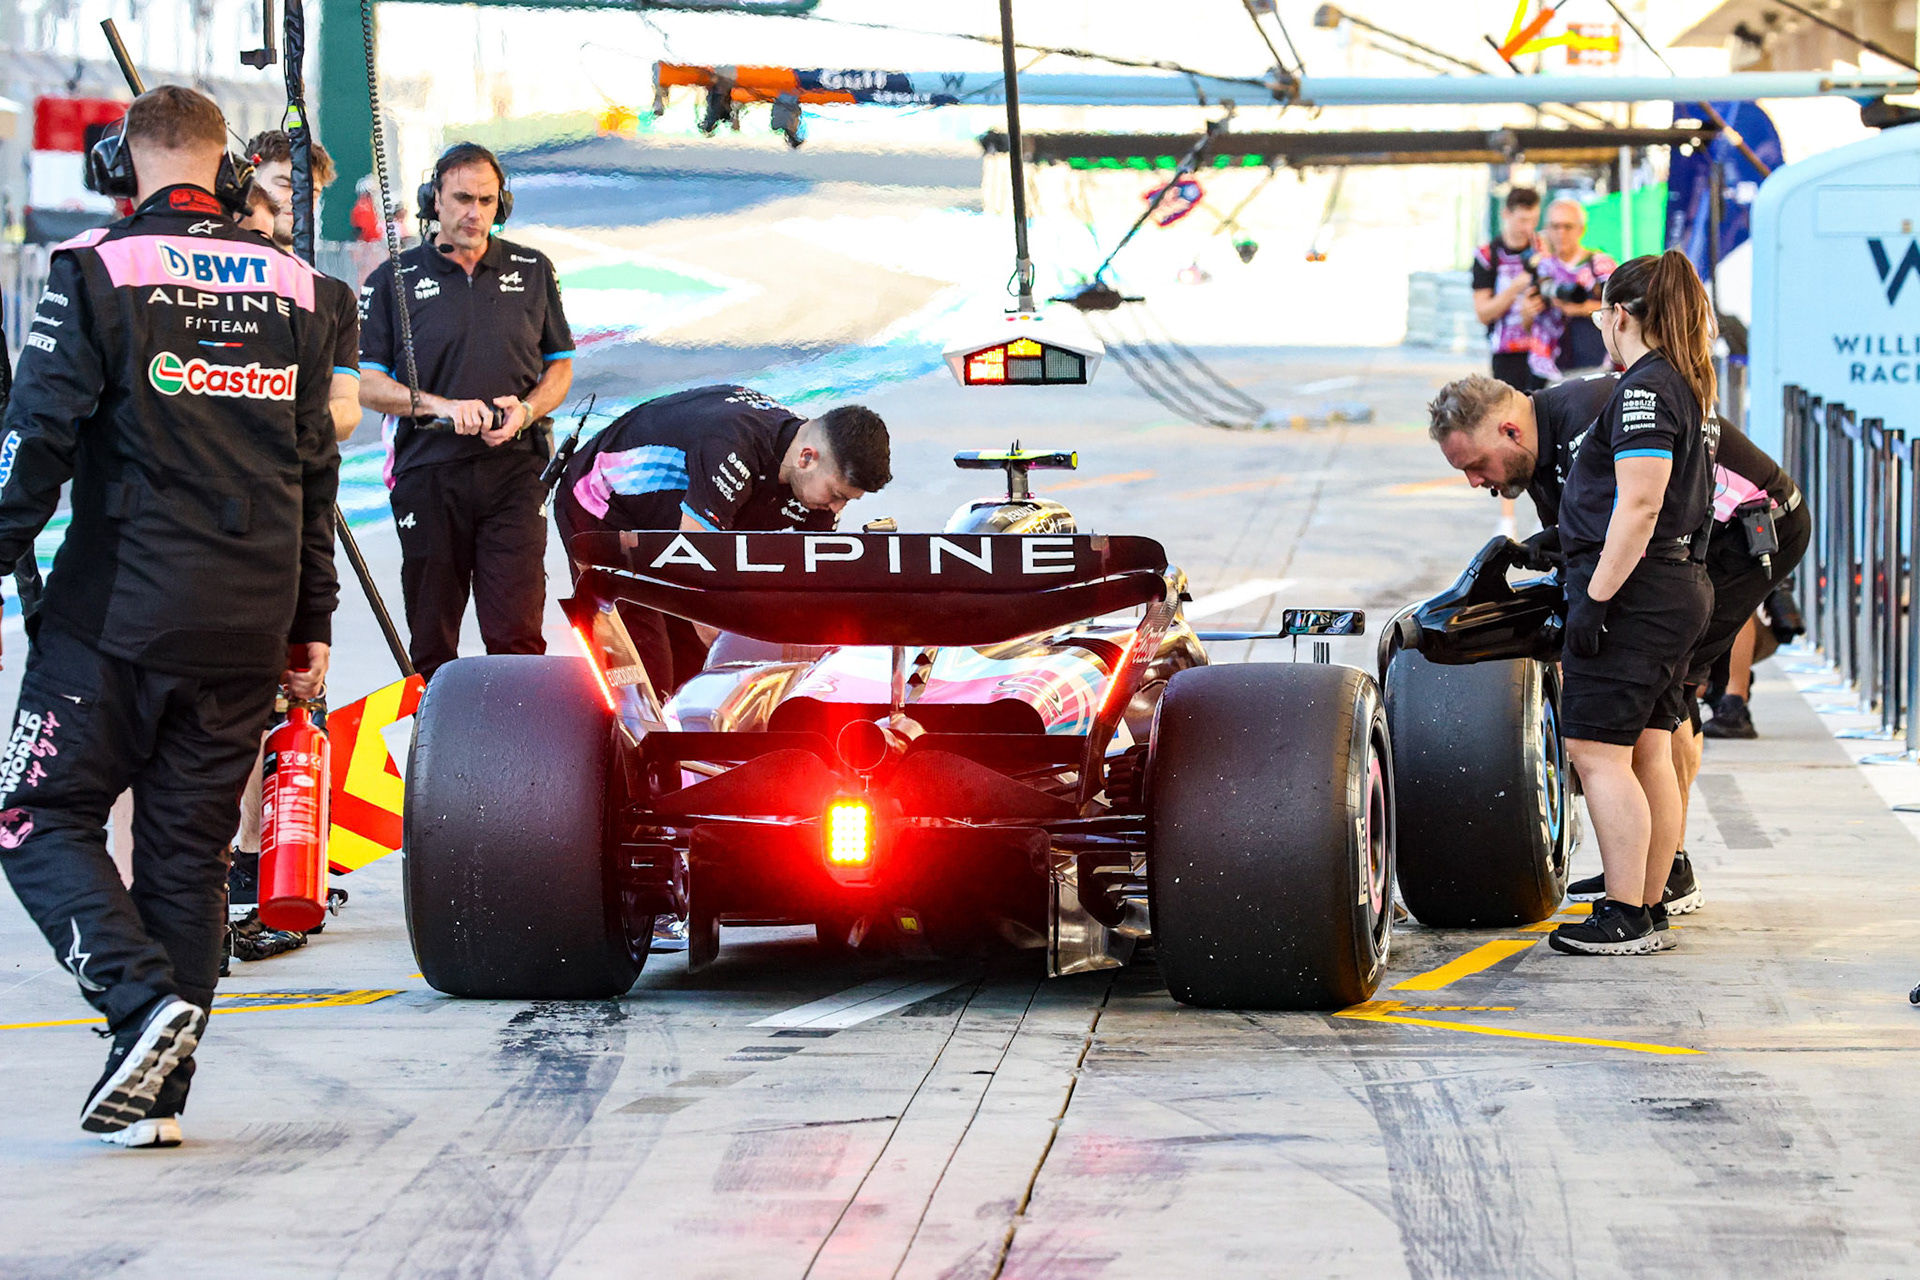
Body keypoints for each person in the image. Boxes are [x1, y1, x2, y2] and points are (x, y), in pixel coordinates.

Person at [0, 85, 339, 1145]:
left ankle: (137, 1001)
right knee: (186, 860)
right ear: (225, 170)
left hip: (118, 614)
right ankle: (154, 1100)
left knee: (32, 812)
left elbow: (36, 438)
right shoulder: (304, 288)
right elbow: (316, 472)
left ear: (125, 162)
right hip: (251, 620)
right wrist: (312, 619)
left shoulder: (94, 268)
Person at [1429, 376, 1809, 919]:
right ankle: (1647, 864)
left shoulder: (1589, 418)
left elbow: (1636, 521)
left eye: (1475, 464)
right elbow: (1582, 549)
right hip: (1686, 547)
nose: (1474, 481)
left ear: (1509, 430)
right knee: (1650, 706)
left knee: (1667, 697)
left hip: (1747, 533)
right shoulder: (1536, 454)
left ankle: (1668, 870)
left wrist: (1594, 617)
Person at [1550, 251, 1719, 956]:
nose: (1600, 327)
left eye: (1600, 316)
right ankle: (1646, 906)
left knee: (1596, 752)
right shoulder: (1682, 381)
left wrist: (1595, 597)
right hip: (1671, 588)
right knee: (1648, 747)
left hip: (1638, 593)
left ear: (1621, 314)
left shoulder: (1647, 388)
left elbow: (1642, 503)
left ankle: (1625, 913)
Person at [357, 142, 573, 681]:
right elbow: (367, 383)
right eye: (461, 199)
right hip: (428, 471)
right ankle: (436, 736)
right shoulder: (392, 279)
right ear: (434, 200)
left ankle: (520, 737)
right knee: (432, 642)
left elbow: (560, 368)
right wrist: (443, 408)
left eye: (486, 200)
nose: (474, 213)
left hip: (516, 472)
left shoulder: (534, 269)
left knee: (518, 638)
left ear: (502, 204)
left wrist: (526, 411)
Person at [556, 384, 892, 696]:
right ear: (806, 458)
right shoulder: (732, 447)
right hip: (602, 506)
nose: (837, 508)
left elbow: (816, 587)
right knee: (648, 676)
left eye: (847, 500)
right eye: (836, 495)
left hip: (668, 522)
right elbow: (697, 571)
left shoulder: (814, 481)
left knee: (693, 676)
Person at [242, 130, 363, 441]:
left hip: (297, 466)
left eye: (312, 191)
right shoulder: (208, 273)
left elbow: (348, 410)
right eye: (285, 183)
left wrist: (283, 427)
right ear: (247, 182)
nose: (298, 197)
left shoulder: (333, 296)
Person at [1471, 186, 1549, 393]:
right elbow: (1483, 313)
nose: (1528, 227)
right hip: (1507, 351)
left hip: (1544, 347)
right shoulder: (1487, 256)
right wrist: (1515, 287)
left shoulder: (1545, 249)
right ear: (1506, 214)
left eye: (1533, 220)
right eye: (1522, 220)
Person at [1533, 198, 1615, 377]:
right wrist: (1528, 310)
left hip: (1592, 365)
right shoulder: (1539, 267)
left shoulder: (1600, 265)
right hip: (1545, 368)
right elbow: (1528, 324)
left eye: (1567, 227)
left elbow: (1620, 309)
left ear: (1581, 229)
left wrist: (1580, 308)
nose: (1561, 233)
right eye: (1555, 226)